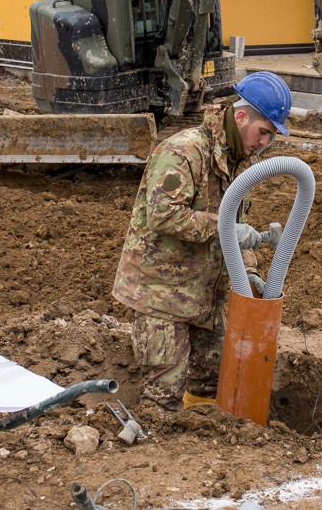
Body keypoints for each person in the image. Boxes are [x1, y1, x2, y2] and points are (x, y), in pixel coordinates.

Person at [112, 71, 293, 412]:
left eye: (272, 137)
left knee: (212, 386)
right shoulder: (184, 151)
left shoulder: (239, 165)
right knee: (164, 398)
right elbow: (163, 216)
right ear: (241, 117)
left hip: (206, 295)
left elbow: (239, 228)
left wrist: (250, 270)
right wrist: (221, 226)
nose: (265, 143)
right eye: (264, 132)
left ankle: (202, 452)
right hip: (162, 295)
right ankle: (157, 456)